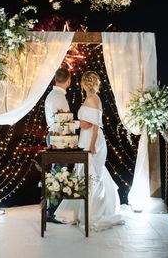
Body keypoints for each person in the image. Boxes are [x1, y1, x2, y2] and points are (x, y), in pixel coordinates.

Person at [54, 71, 124, 231]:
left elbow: (95, 126)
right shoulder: (92, 98)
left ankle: (92, 212)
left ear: (84, 84)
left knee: (90, 174)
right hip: (85, 140)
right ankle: (81, 211)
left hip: (92, 141)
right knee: (84, 174)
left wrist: (92, 145)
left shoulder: (92, 99)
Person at [44, 67, 91, 223]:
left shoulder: (54, 95)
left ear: (56, 79)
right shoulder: (58, 97)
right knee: (59, 174)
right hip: (58, 138)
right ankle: (50, 212)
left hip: (55, 137)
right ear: (69, 80)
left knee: (58, 172)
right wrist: (80, 124)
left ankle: (51, 210)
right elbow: (63, 122)